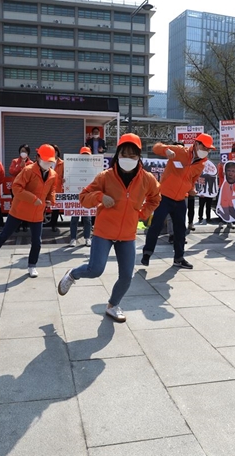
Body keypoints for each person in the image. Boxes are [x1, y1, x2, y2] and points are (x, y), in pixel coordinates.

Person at [58, 133, 160, 322]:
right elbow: (83, 197)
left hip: (128, 234)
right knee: (95, 269)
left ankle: (113, 305)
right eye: (124, 154)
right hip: (104, 231)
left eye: (133, 155)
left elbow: (155, 198)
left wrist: (142, 213)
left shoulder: (147, 179)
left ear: (139, 157)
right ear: (117, 154)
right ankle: (72, 274)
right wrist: (100, 197)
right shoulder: (105, 176)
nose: (128, 159)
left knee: (126, 276)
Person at [0, 144, 57, 278]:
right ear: (38, 157)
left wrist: (51, 199)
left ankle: (32, 265)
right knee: (4, 235)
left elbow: (52, 190)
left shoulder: (53, 174)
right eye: (46, 161)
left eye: (51, 161)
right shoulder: (28, 170)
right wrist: (33, 198)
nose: (48, 164)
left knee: (37, 241)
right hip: (20, 209)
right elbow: (16, 188)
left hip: (37, 212)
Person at [141, 133, 212, 269]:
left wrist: (191, 189)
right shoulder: (180, 151)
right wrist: (165, 150)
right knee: (156, 226)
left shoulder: (201, 164)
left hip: (180, 199)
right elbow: (156, 147)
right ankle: (147, 254)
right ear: (196, 144)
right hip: (164, 197)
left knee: (180, 230)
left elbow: (193, 179)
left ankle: (179, 258)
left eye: (209, 149)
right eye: (205, 147)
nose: (206, 151)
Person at [69, 147, 94, 247]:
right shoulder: (74, 167)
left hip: (87, 196)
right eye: (83, 155)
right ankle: (73, 239)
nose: (85, 157)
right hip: (76, 196)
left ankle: (87, 238)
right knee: (74, 218)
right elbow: (69, 177)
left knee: (87, 219)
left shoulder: (93, 167)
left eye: (87, 155)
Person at [9, 144, 34, 232]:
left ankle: (25, 225)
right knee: (16, 207)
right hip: (16, 188)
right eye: (22, 151)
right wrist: (20, 166)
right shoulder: (15, 161)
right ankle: (17, 225)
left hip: (26, 189)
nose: (23, 153)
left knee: (26, 207)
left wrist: (25, 167)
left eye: (25, 151)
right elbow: (12, 172)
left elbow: (31, 176)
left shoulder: (31, 163)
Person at [48, 144, 64, 233]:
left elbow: (66, 174)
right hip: (46, 188)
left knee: (56, 209)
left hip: (57, 188)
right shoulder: (46, 161)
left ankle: (54, 225)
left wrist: (64, 179)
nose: (54, 153)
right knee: (42, 207)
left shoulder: (62, 163)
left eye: (55, 152)